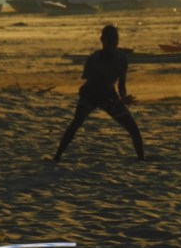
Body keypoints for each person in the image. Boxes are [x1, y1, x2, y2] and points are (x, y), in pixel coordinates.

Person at [52, 25, 145, 163]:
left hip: (109, 95)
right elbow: (89, 83)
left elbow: (121, 84)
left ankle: (141, 160)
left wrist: (123, 97)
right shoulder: (93, 59)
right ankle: (57, 157)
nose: (113, 44)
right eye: (110, 40)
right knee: (76, 124)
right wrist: (88, 95)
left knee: (133, 128)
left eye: (116, 40)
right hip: (91, 94)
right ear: (102, 40)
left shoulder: (122, 59)